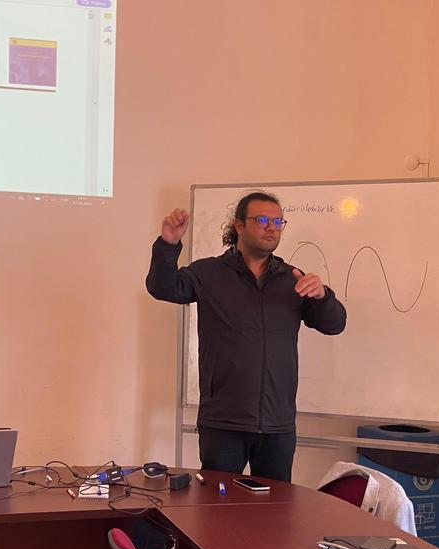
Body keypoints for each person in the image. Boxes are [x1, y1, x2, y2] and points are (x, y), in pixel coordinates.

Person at [146, 191, 346, 481]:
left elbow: (335, 324)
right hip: (224, 421)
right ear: (239, 225)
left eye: (278, 222)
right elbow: (162, 287)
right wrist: (168, 244)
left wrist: (323, 296)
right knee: (218, 503)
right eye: (262, 220)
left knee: (275, 505)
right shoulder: (209, 273)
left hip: (277, 425)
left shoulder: (292, 279)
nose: (271, 228)